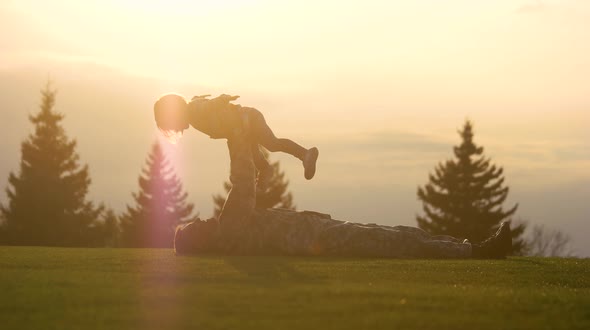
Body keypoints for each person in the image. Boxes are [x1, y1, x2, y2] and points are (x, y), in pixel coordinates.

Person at [172, 132, 513, 259]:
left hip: (321, 233)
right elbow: (244, 180)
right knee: (399, 242)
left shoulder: (228, 231)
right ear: (202, 243)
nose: (200, 220)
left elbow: (248, 182)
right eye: (195, 228)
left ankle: (468, 246)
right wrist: (238, 134)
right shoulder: (228, 228)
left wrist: (246, 144)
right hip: (322, 239)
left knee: (401, 236)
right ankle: (478, 252)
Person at [153, 93, 319, 192]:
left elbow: (209, 106)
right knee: (255, 157)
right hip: (242, 130)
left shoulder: (193, 110)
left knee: (272, 144)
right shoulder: (193, 112)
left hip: (249, 119)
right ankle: (265, 174)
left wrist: (222, 99)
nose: (176, 128)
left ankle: (305, 154)